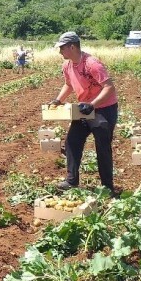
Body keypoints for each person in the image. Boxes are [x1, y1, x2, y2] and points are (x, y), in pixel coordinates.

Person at [48, 31, 119, 193]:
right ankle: (71, 181)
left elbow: (109, 87)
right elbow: (69, 85)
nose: (60, 52)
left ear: (72, 47)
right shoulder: (67, 66)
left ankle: (107, 187)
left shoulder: (92, 64)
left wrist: (92, 105)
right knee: (72, 141)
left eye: (62, 48)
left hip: (104, 109)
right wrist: (58, 100)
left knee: (102, 146)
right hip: (84, 109)